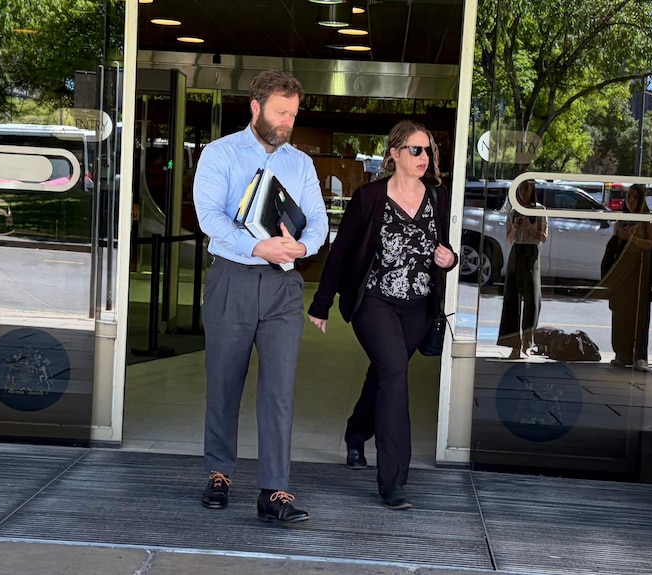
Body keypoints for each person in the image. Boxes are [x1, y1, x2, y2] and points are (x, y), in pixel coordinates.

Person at [192, 70, 329, 523]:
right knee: (223, 382)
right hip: (232, 278)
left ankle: (274, 490)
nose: (288, 121)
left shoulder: (301, 164)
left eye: (293, 114)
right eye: (280, 112)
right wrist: (256, 246)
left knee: (279, 391)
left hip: (283, 287)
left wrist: (303, 247)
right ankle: (219, 474)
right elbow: (209, 217)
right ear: (256, 107)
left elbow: (318, 220)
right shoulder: (220, 154)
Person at [306, 120, 457, 510]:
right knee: (394, 373)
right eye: (415, 150)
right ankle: (393, 481)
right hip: (374, 301)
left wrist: (450, 259)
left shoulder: (437, 197)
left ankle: (356, 434)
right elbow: (342, 250)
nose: (424, 157)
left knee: (385, 375)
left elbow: (443, 249)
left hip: (418, 307)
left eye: (428, 150)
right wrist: (321, 302)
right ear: (394, 153)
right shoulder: (370, 197)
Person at [605, 184, 652, 372]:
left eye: (635, 197)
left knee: (639, 315)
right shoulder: (622, 220)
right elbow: (614, 246)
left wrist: (633, 239)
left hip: (640, 272)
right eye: (629, 198)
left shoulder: (647, 220)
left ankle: (639, 356)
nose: (631, 201)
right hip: (623, 273)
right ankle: (622, 354)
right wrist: (620, 236)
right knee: (621, 314)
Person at [496, 180, 548, 359]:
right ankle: (513, 344)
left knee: (532, 298)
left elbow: (543, 238)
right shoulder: (513, 211)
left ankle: (527, 343)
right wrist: (516, 228)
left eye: (526, 188)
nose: (523, 192)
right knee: (512, 297)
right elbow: (509, 239)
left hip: (531, 253)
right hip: (517, 251)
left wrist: (530, 227)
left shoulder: (539, 210)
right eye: (520, 189)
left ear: (532, 190)